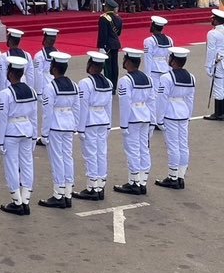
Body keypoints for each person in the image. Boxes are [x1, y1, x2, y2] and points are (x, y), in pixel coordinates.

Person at [0, 55, 38, 216]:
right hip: (27, 130)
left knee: (12, 166)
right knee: (27, 165)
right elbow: (34, 116)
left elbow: (2, 119)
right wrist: (34, 136)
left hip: (11, 132)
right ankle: (26, 201)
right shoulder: (31, 91)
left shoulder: (5, 94)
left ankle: (17, 201)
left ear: (11, 73)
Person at [37, 52, 79, 209]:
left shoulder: (50, 87)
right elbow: (77, 108)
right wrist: (74, 125)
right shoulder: (74, 85)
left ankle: (58, 194)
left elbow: (47, 112)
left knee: (57, 160)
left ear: (54, 68)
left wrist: (44, 133)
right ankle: (68, 193)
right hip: (68, 125)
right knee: (67, 157)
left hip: (55, 126)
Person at [113, 48, 155, 196]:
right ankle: (142, 181)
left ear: (129, 62)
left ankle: (134, 182)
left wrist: (123, 124)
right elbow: (151, 102)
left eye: (125, 59)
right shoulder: (148, 79)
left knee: (132, 150)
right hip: (145, 116)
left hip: (132, 118)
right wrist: (152, 121)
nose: (123, 61)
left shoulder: (125, 80)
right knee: (143, 149)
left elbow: (125, 104)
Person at [73, 52, 113, 201]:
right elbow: (109, 106)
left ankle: (92, 187)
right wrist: (109, 124)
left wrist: (80, 127)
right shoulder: (108, 82)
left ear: (91, 65)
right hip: (103, 120)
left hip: (90, 122)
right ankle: (100, 186)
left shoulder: (85, 83)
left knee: (90, 154)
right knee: (101, 153)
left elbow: (83, 106)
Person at [154, 47, 195, 190]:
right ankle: (181, 176)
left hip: (170, 114)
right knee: (183, 145)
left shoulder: (166, 77)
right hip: (183, 113)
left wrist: (159, 118)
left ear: (173, 61)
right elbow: (190, 99)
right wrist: (188, 115)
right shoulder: (191, 77)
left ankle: (173, 177)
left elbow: (162, 99)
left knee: (173, 147)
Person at [144, 17, 173, 121]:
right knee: (164, 94)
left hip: (154, 69)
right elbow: (170, 56)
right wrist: (170, 71)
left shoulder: (149, 41)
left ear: (153, 26)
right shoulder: (169, 39)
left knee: (154, 96)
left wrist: (147, 76)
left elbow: (148, 58)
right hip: (165, 68)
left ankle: (155, 119)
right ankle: (163, 117)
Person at [98, 0, 124, 87]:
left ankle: (109, 85)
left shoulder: (103, 18)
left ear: (107, 7)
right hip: (116, 44)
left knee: (107, 67)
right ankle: (114, 85)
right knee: (114, 66)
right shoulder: (119, 18)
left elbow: (103, 34)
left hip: (107, 45)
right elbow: (118, 33)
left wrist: (102, 46)